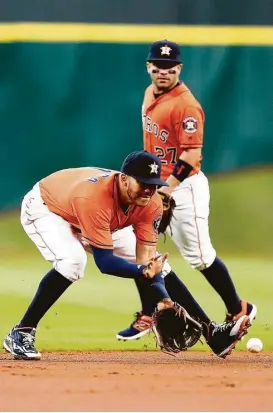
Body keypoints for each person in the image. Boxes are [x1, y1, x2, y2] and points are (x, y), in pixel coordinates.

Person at [116, 40, 257, 341]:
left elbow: (192, 155)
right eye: (158, 66)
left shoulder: (186, 105)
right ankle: (147, 312)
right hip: (155, 185)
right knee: (141, 248)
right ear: (148, 67)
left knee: (199, 257)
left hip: (184, 187)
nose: (163, 71)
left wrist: (168, 189)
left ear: (179, 68)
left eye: (170, 67)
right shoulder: (148, 94)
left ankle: (239, 307)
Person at [3, 151, 174, 360]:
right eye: (143, 182)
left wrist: (164, 298)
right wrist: (142, 272)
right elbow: (105, 263)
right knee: (72, 262)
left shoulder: (150, 201)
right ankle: (21, 333)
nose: (149, 189)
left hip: (82, 207)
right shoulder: (93, 198)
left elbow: (147, 261)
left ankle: (208, 328)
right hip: (48, 207)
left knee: (157, 262)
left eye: (154, 184)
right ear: (124, 178)